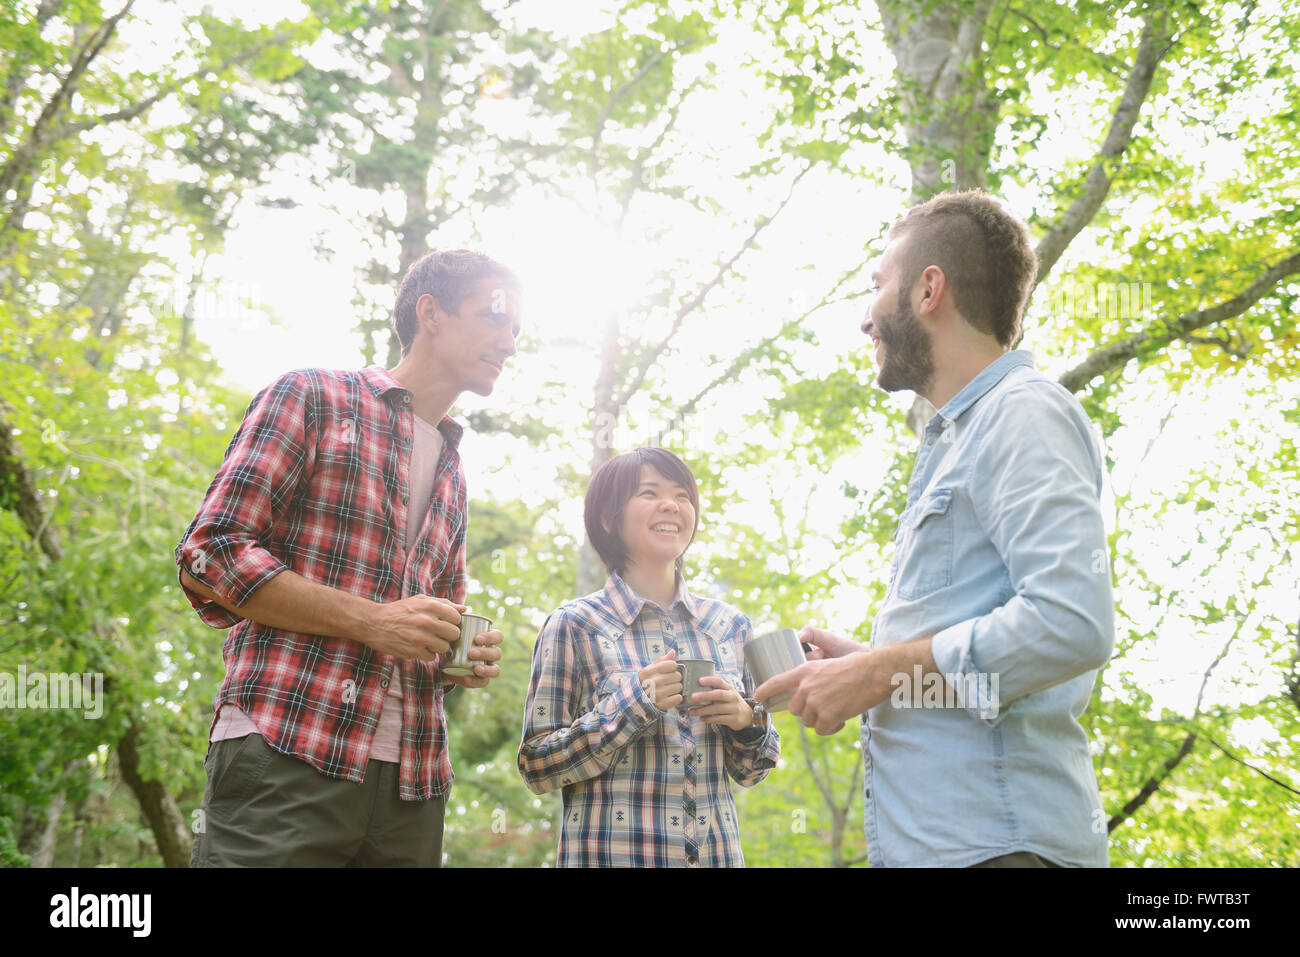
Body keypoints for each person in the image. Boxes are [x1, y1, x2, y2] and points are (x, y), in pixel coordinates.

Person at [756, 189, 1114, 867]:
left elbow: (1072, 622)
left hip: (1001, 848)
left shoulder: (1023, 414)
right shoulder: (953, 437)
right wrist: (867, 668)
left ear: (929, 290)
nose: (866, 318)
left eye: (876, 287)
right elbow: (973, 665)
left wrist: (881, 671)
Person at [178, 249, 520, 867]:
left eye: (517, 330)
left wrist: (456, 657)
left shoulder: (453, 463)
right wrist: (372, 620)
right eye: (495, 318)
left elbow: (435, 614)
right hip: (286, 748)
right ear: (431, 313)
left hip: (411, 783)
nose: (509, 342)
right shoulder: (311, 396)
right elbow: (210, 554)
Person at [518, 447, 780, 867]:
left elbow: (752, 771)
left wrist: (747, 722)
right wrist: (633, 703)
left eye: (683, 495)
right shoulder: (574, 624)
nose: (671, 505)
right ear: (608, 517)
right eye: (648, 492)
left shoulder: (729, 625)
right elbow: (536, 766)